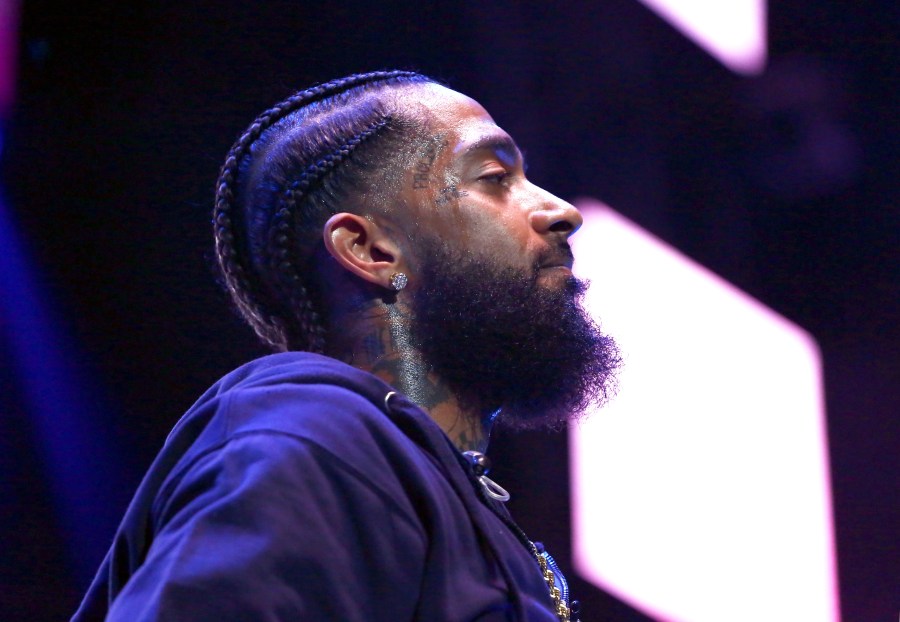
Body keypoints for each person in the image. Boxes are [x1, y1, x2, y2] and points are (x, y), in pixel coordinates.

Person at [72, 70, 619, 622]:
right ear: (370, 249)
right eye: (495, 177)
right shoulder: (316, 430)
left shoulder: (426, 487)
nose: (561, 212)